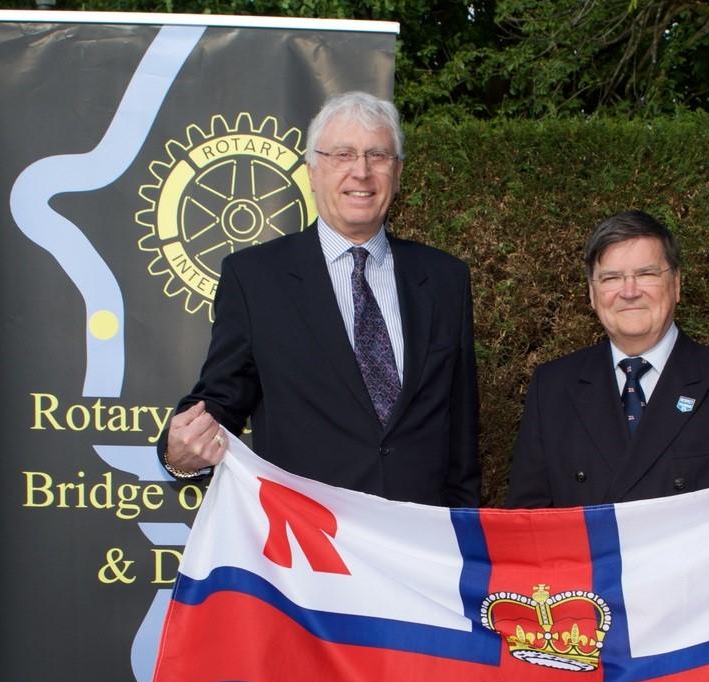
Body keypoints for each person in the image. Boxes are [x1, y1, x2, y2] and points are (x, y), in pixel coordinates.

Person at [158, 91, 480, 507]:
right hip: (307, 548)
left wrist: (464, 534)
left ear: (398, 173)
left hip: (419, 545)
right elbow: (222, 398)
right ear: (312, 171)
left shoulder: (444, 279)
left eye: (377, 156)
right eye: (343, 155)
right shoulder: (256, 279)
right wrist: (180, 454)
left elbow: (462, 434)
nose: (361, 172)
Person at [507, 210, 709, 507]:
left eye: (646, 274)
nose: (629, 292)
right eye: (611, 278)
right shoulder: (552, 387)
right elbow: (528, 523)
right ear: (592, 294)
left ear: (676, 285)